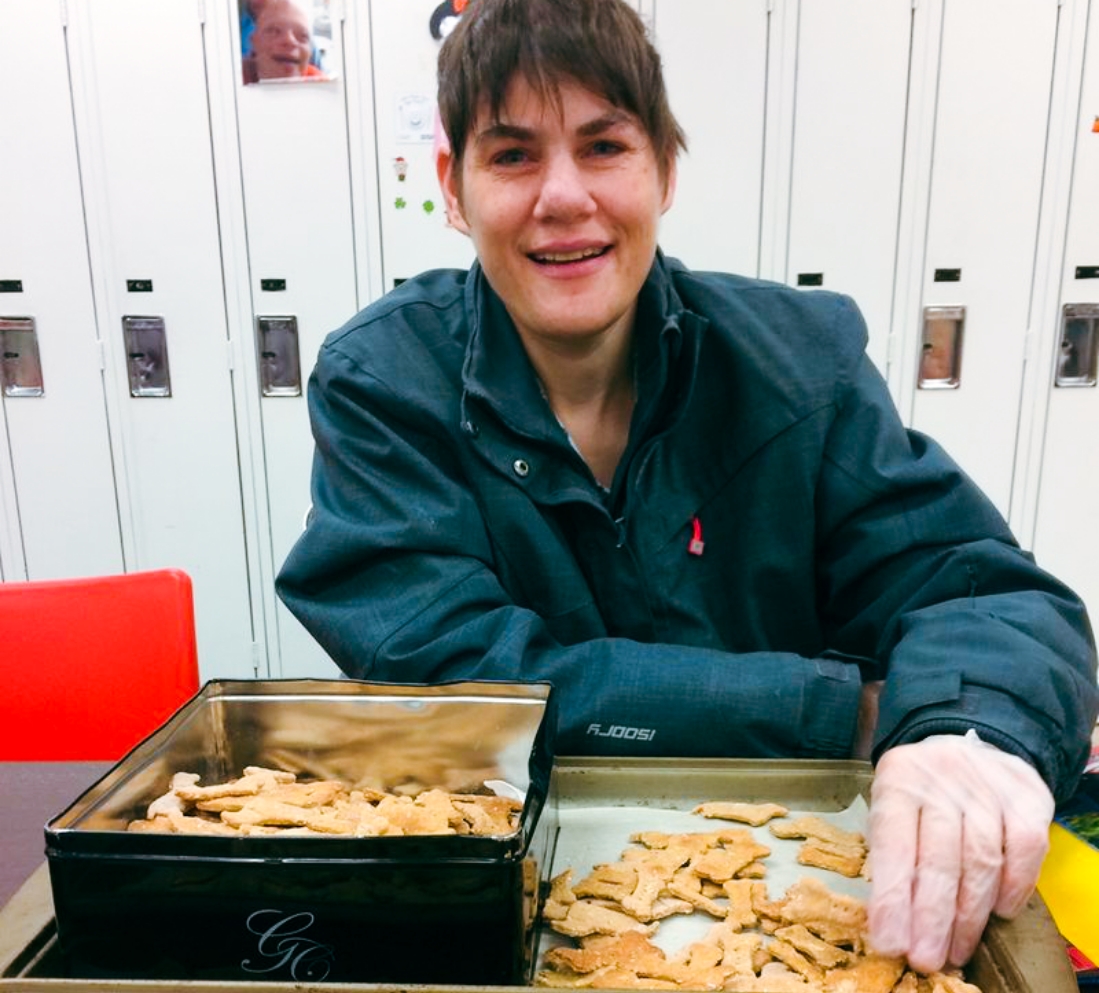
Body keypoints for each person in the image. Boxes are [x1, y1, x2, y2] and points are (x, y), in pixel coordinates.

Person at [276, 0, 1099, 975]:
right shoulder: (384, 382)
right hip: (499, 901)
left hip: (794, 884)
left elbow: (984, 594)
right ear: (452, 186)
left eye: (604, 145)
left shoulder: (798, 367)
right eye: (512, 156)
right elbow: (441, 676)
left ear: (664, 166)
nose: (564, 196)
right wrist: (841, 711)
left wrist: (963, 733)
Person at [242, 0, 326, 84]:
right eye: (273, 31)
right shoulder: (234, 77)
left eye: (303, 36)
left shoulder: (318, 80)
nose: (290, 41)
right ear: (254, 42)